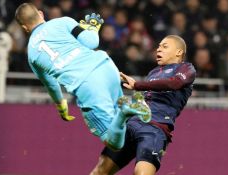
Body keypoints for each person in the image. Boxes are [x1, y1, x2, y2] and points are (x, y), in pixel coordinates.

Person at [14, 3, 151, 150]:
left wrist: (61, 106)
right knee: (117, 115)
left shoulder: (32, 54)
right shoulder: (63, 21)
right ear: (40, 14)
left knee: (113, 143)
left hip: (87, 85)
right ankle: (128, 106)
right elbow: (92, 42)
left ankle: (126, 110)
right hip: (106, 67)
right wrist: (92, 28)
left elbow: (51, 84)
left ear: (24, 27)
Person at [90, 35, 196, 175]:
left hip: (154, 129)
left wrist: (137, 85)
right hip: (131, 126)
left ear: (178, 52)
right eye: (158, 46)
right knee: (100, 172)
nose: (159, 49)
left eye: (165, 46)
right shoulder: (153, 73)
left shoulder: (186, 68)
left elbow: (174, 83)